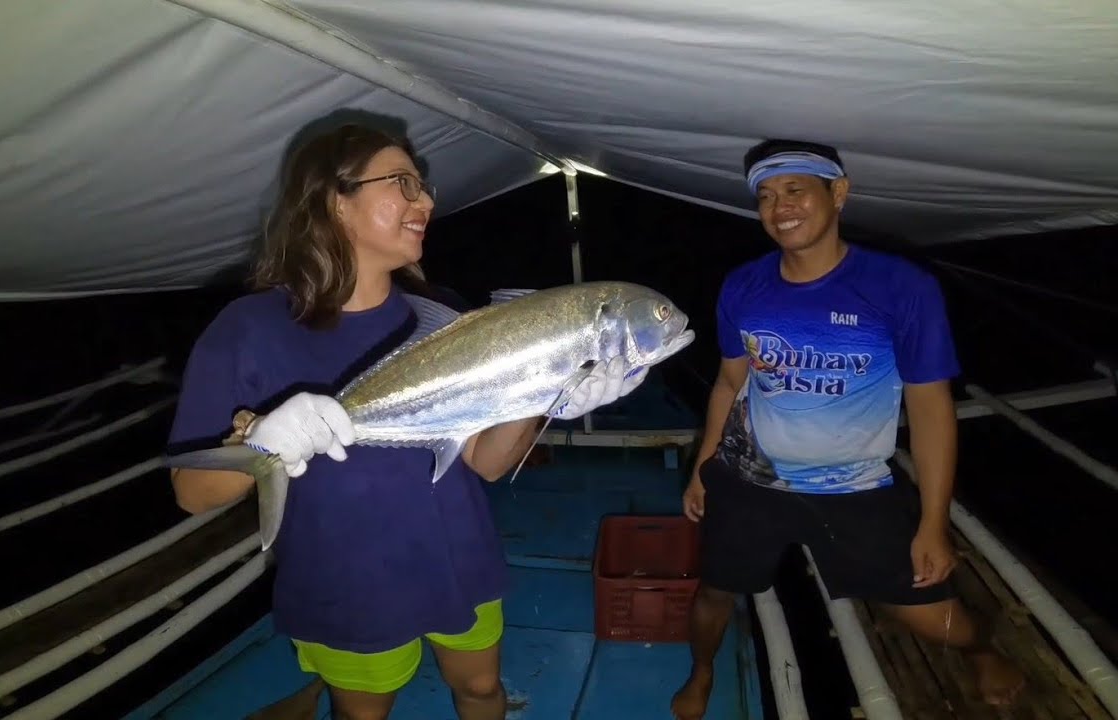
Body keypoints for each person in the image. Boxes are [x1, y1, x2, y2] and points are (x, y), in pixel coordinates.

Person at [166, 121, 644, 720]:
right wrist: (263, 444)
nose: (427, 201)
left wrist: (545, 392)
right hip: (344, 575)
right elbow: (192, 493)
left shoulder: (443, 316)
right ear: (335, 201)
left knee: (480, 691)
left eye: (424, 186)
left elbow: (487, 464)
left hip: (457, 555)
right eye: (404, 184)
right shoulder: (247, 329)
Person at [670, 139, 1026, 719]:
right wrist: (703, 468)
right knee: (714, 590)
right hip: (748, 478)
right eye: (764, 196)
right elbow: (728, 383)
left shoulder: (900, 288)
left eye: (794, 190)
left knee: (940, 620)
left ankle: (980, 649)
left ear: (838, 194)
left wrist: (934, 524)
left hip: (854, 488)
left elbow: (932, 408)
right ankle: (702, 669)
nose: (778, 207)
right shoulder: (743, 286)